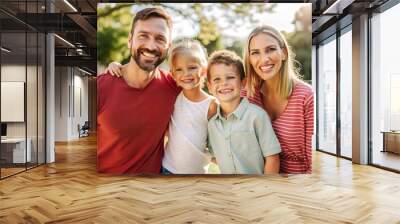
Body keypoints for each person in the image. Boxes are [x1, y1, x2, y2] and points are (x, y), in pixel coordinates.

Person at [97, 7, 180, 174]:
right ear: (130, 40)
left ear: (168, 46)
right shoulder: (101, 87)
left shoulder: (174, 87)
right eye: (143, 36)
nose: (151, 46)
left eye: (160, 39)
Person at [242, 25, 314, 174]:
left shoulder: (306, 97)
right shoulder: (246, 95)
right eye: (255, 53)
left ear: (284, 53)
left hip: (297, 185)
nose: (264, 59)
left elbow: (312, 159)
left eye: (271, 49)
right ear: (249, 59)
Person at [206, 50, 281, 174]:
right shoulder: (212, 124)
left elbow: (272, 159)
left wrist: (267, 188)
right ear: (209, 87)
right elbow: (216, 156)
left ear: (243, 83)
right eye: (217, 79)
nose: (224, 83)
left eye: (230, 77)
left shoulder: (257, 116)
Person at [161, 39, 217, 174]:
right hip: (168, 170)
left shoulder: (212, 104)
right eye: (179, 69)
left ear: (204, 70)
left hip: (198, 174)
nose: (186, 74)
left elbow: (216, 140)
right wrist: (115, 65)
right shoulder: (173, 97)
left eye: (192, 67)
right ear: (173, 74)